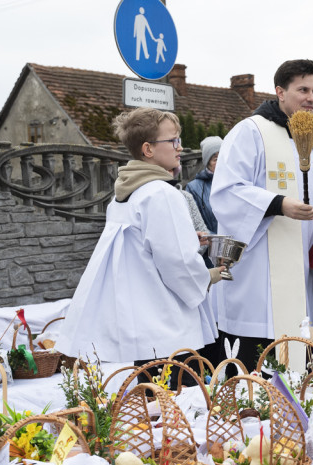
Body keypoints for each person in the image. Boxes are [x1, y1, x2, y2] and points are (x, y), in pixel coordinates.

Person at [57, 107, 221, 363]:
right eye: (173, 140)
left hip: (142, 325)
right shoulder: (162, 194)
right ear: (148, 149)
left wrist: (188, 237)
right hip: (167, 325)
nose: (180, 147)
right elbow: (177, 263)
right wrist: (208, 276)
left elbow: (140, 250)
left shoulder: (126, 193)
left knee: (149, 399)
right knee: (177, 398)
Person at [210, 59, 313, 371]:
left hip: (301, 275)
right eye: (303, 90)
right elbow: (226, 191)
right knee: (254, 385)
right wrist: (278, 204)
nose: (311, 97)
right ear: (280, 92)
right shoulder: (250, 132)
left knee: (301, 364)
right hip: (258, 277)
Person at [185, 136, 221, 236]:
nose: (221, 162)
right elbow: (194, 224)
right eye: (216, 159)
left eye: (223, 156)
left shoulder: (235, 182)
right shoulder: (194, 188)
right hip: (210, 246)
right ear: (207, 162)